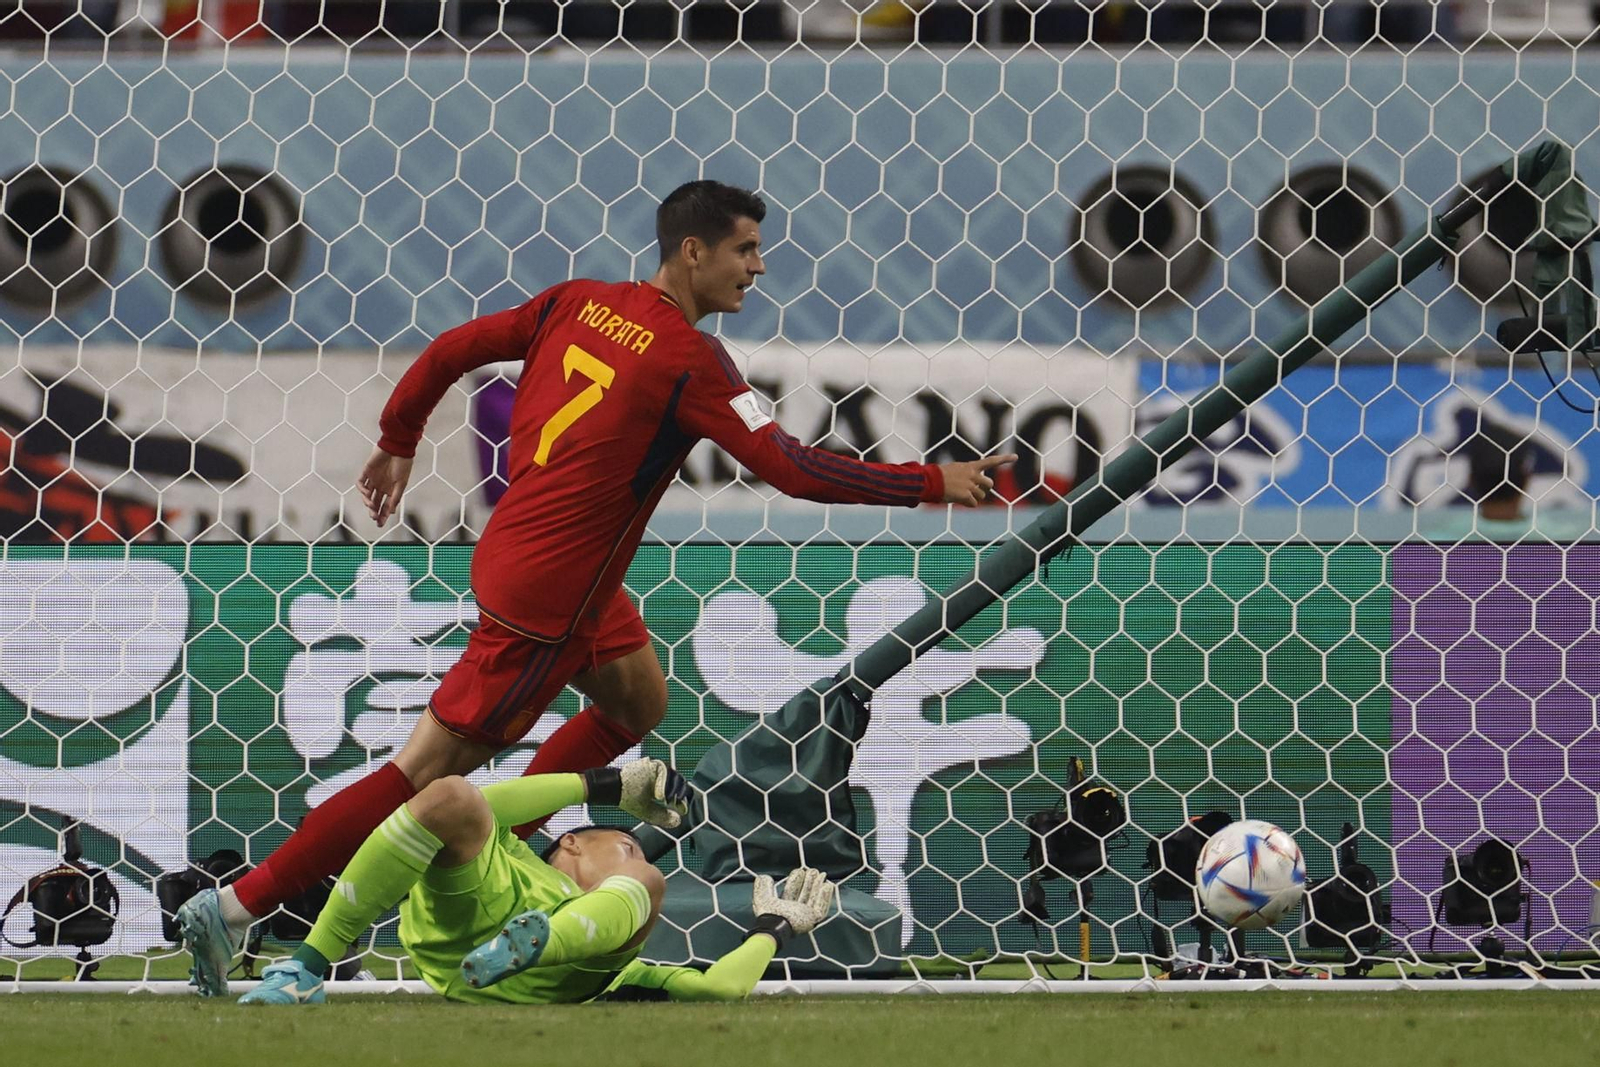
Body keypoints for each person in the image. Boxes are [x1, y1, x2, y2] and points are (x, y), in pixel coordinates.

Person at [179, 178, 1014, 996]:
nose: (758, 268)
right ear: (693, 251)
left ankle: (528, 847)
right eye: (745, 249)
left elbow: (449, 349)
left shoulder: (573, 300)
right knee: (425, 773)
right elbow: (789, 469)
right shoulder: (690, 360)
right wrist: (931, 484)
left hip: (528, 551)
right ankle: (240, 905)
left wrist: (399, 436)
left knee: (636, 702)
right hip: (554, 594)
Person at [236, 757, 835, 1004]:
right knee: (448, 794)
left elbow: (719, 989)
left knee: (646, 882)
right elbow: (479, 801)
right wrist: (605, 784)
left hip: (530, 966)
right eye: (624, 844)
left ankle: (539, 941)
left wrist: (774, 929)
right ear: (571, 841)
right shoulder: (509, 851)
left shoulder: (619, 951)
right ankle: (307, 967)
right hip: (480, 920)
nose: (632, 856)